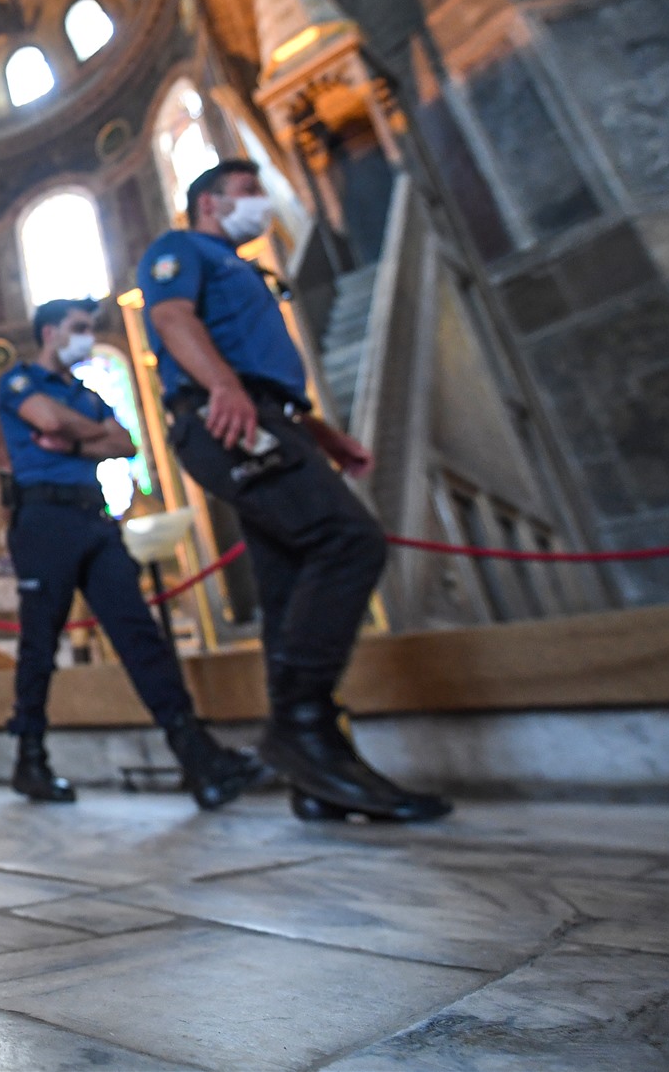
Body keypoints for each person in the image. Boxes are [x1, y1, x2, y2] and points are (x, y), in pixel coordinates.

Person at [140, 160, 450, 822]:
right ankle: (301, 726)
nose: (259, 203)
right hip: (225, 418)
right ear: (210, 202)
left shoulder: (247, 271)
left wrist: (321, 434)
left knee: (287, 583)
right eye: (248, 192)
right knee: (347, 541)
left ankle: (318, 770)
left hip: (267, 417)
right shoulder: (182, 249)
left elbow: (262, 369)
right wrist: (222, 387)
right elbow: (171, 318)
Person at [0, 299, 268, 806]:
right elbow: (46, 421)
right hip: (43, 522)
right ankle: (29, 760)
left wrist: (78, 443)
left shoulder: (86, 392)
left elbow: (125, 445)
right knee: (40, 643)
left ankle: (197, 756)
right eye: (79, 328)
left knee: (140, 634)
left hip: (94, 519)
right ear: (51, 332)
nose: (87, 336)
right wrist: (86, 432)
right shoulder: (17, 382)